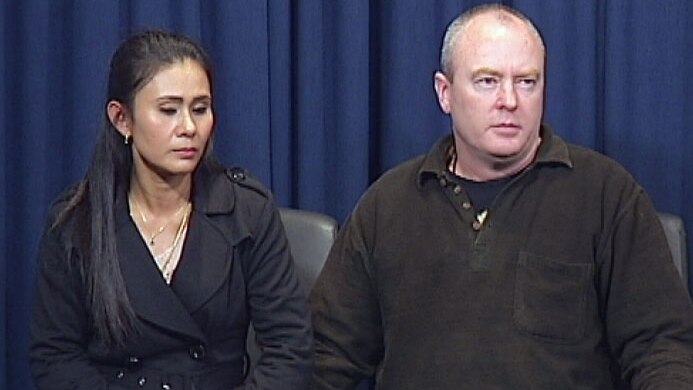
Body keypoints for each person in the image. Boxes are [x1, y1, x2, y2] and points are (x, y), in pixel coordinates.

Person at [310, 4, 693, 389]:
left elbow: (661, 348)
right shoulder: (388, 205)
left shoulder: (607, 196)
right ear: (445, 93)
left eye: (527, 81)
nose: (509, 100)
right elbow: (328, 356)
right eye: (487, 81)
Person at [29, 30, 312, 389]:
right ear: (122, 119)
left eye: (200, 109)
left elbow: (290, 350)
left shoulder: (247, 211)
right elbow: (56, 358)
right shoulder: (76, 222)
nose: (189, 128)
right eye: (168, 110)